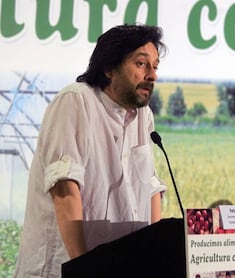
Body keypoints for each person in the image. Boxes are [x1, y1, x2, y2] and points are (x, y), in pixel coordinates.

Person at [14, 24, 168, 277]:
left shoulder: (144, 117)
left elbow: (150, 189)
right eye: (141, 64)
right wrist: (85, 268)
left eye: (155, 66)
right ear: (108, 68)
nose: (152, 75)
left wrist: (157, 255)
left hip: (117, 267)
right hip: (65, 268)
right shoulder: (76, 101)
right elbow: (65, 187)